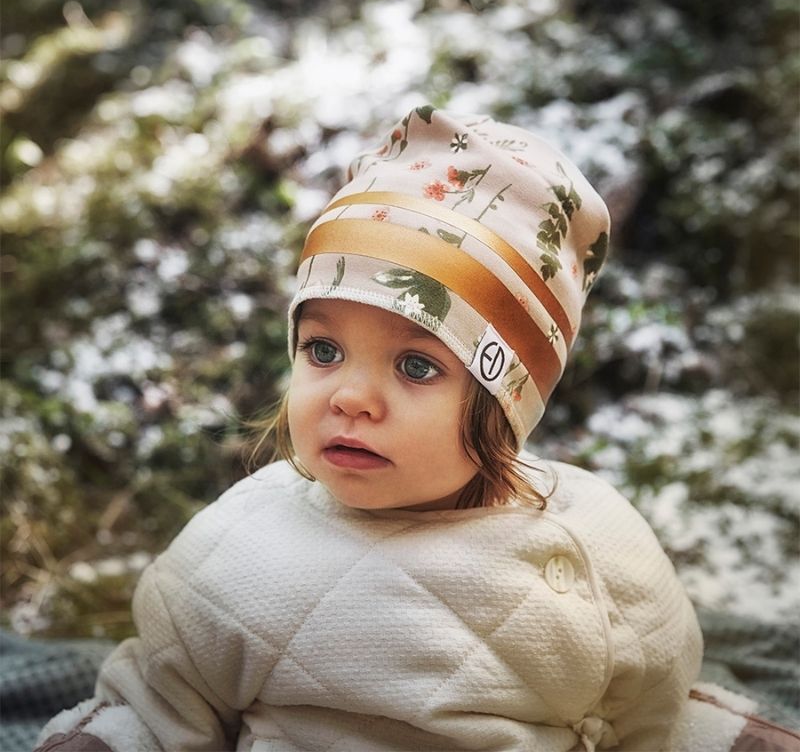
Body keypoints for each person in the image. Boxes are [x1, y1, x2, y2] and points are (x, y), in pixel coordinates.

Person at [34, 107, 794, 752]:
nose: (352, 398)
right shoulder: (234, 550)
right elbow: (155, 710)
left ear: (506, 402)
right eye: (323, 351)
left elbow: (657, 717)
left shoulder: (600, 554)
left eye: (417, 367)